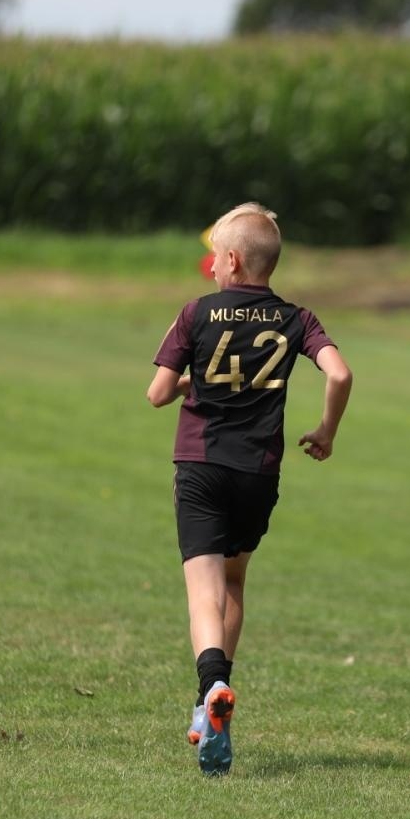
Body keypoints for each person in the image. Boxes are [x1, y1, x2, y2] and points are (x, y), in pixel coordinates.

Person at [147, 203, 353, 776]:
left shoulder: (195, 313)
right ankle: (210, 701)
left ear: (232, 260)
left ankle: (211, 685)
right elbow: (340, 373)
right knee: (234, 582)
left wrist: (192, 379)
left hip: (201, 464)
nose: (211, 266)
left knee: (203, 589)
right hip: (258, 472)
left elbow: (157, 393)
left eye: (215, 256)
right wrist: (327, 432)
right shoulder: (297, 318)